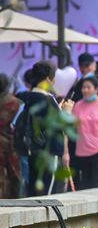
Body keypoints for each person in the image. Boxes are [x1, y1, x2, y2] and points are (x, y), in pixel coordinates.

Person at [13, 61, 72, 196]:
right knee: (48, 195)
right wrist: (67, 112)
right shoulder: (46, 100)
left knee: (34, 193)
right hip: (50, 153)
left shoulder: (27, 97)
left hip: (32, 152)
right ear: (47, 79)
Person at [0, 73, 22, 199]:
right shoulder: (12, 101)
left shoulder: (11, 102)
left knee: (12, 175)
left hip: (6, 142)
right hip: (7, 142)